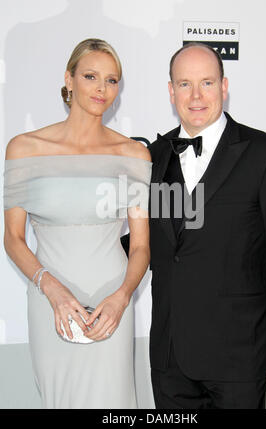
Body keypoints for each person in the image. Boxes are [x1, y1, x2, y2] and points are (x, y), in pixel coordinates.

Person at [124, 42, 266, 409]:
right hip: (170, 358)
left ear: (224, 86)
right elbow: (145, 243)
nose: (196, 95)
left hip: (239, 356)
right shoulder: (151, 158)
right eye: (184, 84)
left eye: (206, 82)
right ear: (171, 92)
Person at [3, 38, 152, 409]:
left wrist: (122, 297)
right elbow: (14, 239)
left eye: (112, 80)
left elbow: (141, 247)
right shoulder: (24, 148)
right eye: (90, 76)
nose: (102, 89)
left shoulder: (133, 154)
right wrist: (50, 288)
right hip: (49, 298)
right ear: (69, 79)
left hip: (111, 300)